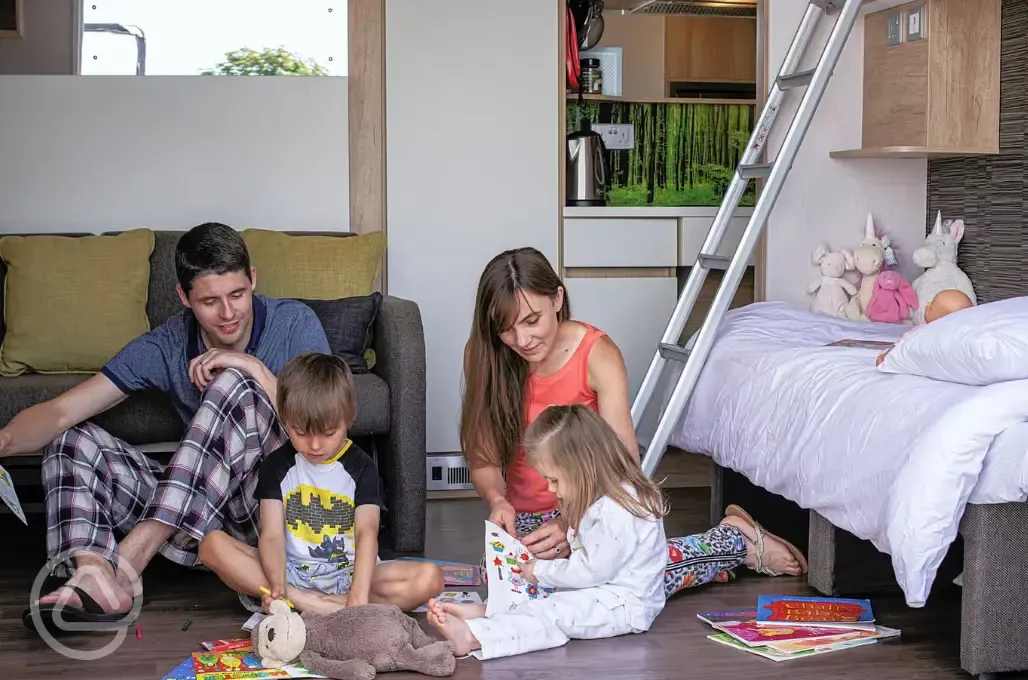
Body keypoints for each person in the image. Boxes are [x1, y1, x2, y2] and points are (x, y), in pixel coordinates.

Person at [10, 223, 331, 631]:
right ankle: (93, 575)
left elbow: (323, 427)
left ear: (253, 279)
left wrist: (250, 367)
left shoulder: (295, 324)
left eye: (237, 294)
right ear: (184, 297)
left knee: (234, 382)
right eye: (210, 301)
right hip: (199, 519)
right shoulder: (167, 343)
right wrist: (3, 440)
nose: (228, 312)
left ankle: (124, 568)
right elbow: (60, 412)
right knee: (70, 441)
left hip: (275, 513)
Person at [460, 247, 807, 599]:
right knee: (512, 586)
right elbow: (483, 456)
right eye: (506, 329)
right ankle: (712, 548)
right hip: (530, 519)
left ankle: (732, 543)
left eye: (531, 320)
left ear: (557, 299)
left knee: (610, 583)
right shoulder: (483, 355)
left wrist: (570, 522)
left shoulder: (597, 354)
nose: (521, 340)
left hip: (594, 510)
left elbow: (624, 464)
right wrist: (498, 501)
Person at [197, 353, 443, 614]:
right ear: (284, 419)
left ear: (348, 418)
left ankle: (313, 605)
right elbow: (271, 535)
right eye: (300, 432)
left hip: (349, 574)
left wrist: (357, 598)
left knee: (431, 577)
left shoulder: (362, 468)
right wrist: (278, 583)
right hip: (291, 573)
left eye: (328, 433)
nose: (314, 446)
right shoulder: (276, 466)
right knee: (210, 545)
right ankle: (302, 600)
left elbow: (366, 533)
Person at [428, 404, 667, 659]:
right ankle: (488, 613)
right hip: (606, 590)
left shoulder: (618, 509)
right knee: (545, 595)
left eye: (554, 480)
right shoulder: (605, 498)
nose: (551, 490)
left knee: (551, 612)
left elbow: (591, 571)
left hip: (624, 605)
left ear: (584, 467)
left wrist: (540, 571)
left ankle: (475, 636)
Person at [876, 288, 973, 366]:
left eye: (931, 307)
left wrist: (887, 356)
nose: (927, 305)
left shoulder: (921, 334)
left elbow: (905, 347)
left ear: (939, 320)